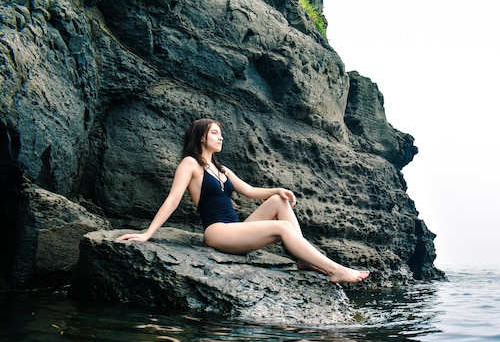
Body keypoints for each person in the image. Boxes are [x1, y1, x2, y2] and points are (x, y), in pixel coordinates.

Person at [117, 118, 369, 284]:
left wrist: (278, 189)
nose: (220, 137)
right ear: (201, 137)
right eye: (215, 133)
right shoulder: (190, 164)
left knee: (279, 201)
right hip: (217, 232)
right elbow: (172, 199)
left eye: (221, 133)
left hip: (235, 229)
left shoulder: (222, 169)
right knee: (281, 227)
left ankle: (303, 258)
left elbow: (249, 191)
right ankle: (336, 269)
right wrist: (147, 234)